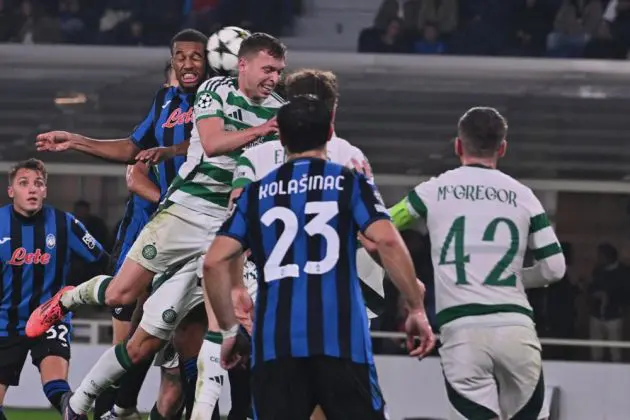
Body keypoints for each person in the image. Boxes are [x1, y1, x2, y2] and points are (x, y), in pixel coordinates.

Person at [27, 32, 286, 420]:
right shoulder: (211, 91)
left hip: (229, 229)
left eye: (279, 72)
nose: (274, 78)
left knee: (194, 342)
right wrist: (263, 131)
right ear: (242, 64)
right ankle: (67, 301)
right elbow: (212, 143)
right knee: (121, 298)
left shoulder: (280, 108)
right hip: (183, 212)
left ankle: (93, 408)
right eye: (268, 69)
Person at [203, 96, 435, 419]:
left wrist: (229, 331)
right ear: (329, 132)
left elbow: (213, 262)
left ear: (281, 137)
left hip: (275, 343)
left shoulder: (255, 194)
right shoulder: (349, 183)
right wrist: (416, 308)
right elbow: (386, 241)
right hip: (342, 340)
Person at [30, 29, 210, 420]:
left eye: (197, 56)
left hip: (205, 228)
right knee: (133, 315)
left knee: (184, 349)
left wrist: (173, 152)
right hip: (166, 228)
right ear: (173, 61)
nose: (188, 64)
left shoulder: (218, 100)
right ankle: (110, 403)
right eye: (181, 57)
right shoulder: (165, 99)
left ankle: (116, 408)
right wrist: (76, 140)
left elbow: (208, 143)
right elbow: (134, 152)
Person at [384, 107, 566, 419]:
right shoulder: (524, 196)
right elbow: (554, 268)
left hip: (462, 330)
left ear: (458, 145)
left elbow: (383, 225)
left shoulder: (433, 189)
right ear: (503, 148)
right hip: (515, 329)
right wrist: (515, 279)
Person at [230, 69, 387, 420]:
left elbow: (233, 228)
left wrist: (236, 289)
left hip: (275, 294)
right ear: (332, 115)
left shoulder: (255, 157)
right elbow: (374, 235)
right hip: (342, 296)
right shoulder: (351, 157)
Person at [0, 159, 107, 420]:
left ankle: (74, 411)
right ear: (11, 190)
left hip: (50, 317)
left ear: (45, 190)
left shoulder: (64, 223)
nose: (32, 189)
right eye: (24, 184)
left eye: (38, 184)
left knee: (57, 388)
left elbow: (101, 260)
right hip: (4, 321)